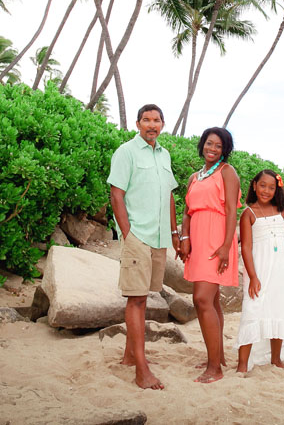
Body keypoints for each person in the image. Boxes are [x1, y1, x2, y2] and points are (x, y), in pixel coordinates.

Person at [107, 104, 179, 390]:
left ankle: (128, 355)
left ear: (162, 124)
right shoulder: (126, 152)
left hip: (160, 238)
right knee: (136, 300)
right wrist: (128, 234)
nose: (152, 124)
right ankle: (141, 368)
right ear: (138, 123)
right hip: (138, 236)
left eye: (156, 120)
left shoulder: (165, 155)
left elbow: (170, 196)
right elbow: (116, 194)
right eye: (146, 120)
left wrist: (175, 233)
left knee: (144, 297)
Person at [179, 127, 240, 383]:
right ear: (202, 144)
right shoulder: (196, 176)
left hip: (216, 241)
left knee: (202, 300)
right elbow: (187, 211)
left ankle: (214, 368)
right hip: (197, 240)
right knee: (211, 301)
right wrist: (184, 238)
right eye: (209, 143)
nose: (212, 149)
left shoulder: (227, 172)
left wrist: (227, 245)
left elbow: (230, 211)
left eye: (218, 146)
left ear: (224, 150)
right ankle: (218, 357)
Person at [235, 169, 284, 373]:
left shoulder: (282, 208)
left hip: (281, 269)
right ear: (254, 186)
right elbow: (246, 248)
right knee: (252, 310)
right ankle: (242, 365)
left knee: (279, 309)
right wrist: (253, 276)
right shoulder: (248, 213)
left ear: (277, 189)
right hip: (259, 268)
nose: (266, 190)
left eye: (271, 187)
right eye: (262, 186)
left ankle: (276, 359)